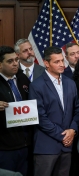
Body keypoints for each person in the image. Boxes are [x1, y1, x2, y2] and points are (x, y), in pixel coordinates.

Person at [29, 46, 79, 176]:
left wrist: (72, 130)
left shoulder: (70, 83)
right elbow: (40, 117)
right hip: (46, 147)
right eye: (56, 62)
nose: (62, 64)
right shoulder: (36, 86)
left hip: (67, 146)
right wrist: (63, 135)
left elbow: (78, 110)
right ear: (46, 63)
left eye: (62, 60)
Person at [0, 46, 33, 176]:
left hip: (26, 144)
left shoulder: (22, 78)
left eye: (16, 60)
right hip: (5, 147)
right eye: (10, 61)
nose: (15, 63)